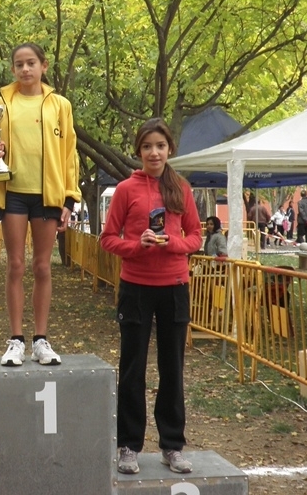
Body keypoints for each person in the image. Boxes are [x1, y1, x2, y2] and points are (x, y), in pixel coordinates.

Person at [100, 118, 202, 476]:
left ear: (169, 149)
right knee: (133, 369)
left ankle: (172, 445)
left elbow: (195, 236)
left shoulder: (181, 188)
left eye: (160, 146)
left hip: (174, 287)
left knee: (172, 369)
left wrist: (173, 243)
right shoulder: (126, 189)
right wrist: (136, 245)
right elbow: (108, 238)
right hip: (136, 288)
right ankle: (128, 446)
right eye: (147, 146)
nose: (154, 153)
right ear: (139, 151)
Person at [0, 42, 80, 367]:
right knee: (15, 265)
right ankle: (15, 340)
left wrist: (70, 198)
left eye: (31, 63)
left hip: (48, 195)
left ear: (44, 66)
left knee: (42, 266)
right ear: (12, 69)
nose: (25, 69)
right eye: (19, 64)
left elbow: (70, 154)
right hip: (12, 193)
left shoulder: (60, 105)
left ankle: (40, 339)